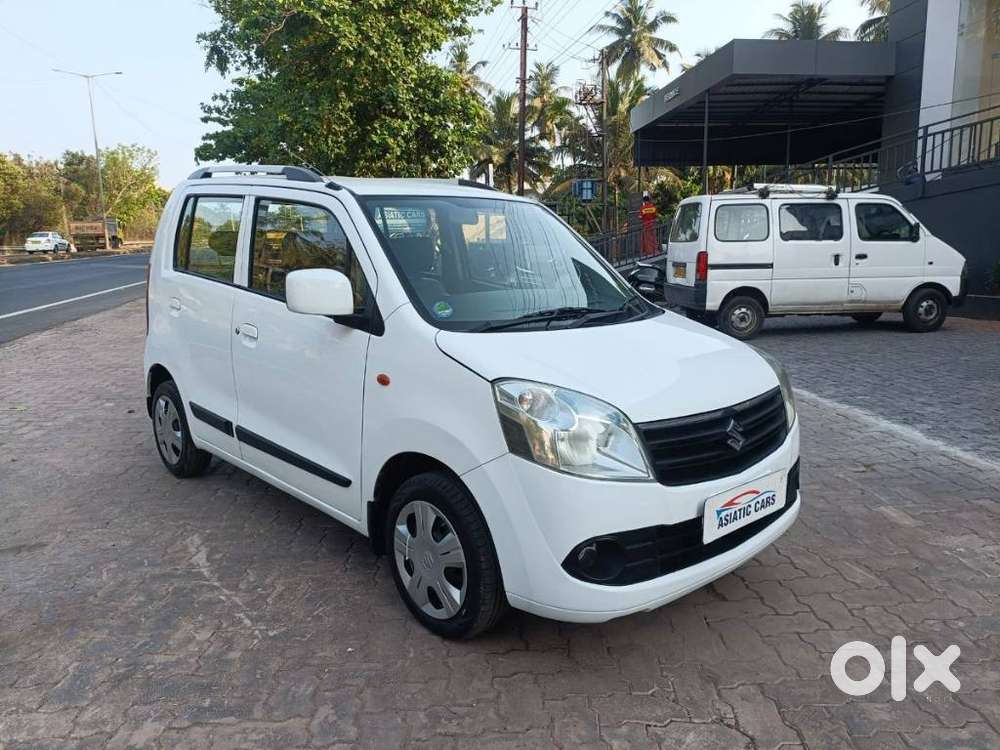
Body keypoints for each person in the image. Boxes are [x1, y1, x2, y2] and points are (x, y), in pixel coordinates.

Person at [639, 191, 658, 257]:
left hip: (646, 225)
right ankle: (655, 250)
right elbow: (655, 216)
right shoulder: (653, 207)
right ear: (649, 200)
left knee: (647, 239)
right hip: (652, 224)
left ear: (644, 201)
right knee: (653, 238)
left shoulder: (643, 208)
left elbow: (640, 217)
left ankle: (649, 252)